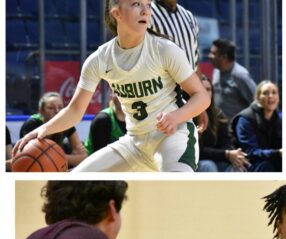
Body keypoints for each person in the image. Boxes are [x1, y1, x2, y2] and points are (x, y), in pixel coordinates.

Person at [15, 0, 210, 172]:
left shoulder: (164, 49)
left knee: (174, 189)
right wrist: (43, 130)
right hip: (135, 142)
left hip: (173, 136)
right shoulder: (100, 59)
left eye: (148, 5)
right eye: (136, 4)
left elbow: (201, 96)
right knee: (72, 184)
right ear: (116, 13)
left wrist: (175, 116)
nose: (145, 11)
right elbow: (75, 110)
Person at [150, 0, 208, 133]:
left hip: (189, 94)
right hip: (162, 95)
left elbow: (195, 62)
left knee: (190, 146)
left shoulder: (189, 17)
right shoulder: (147, 14)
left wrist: (200, 105)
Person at [196, 75, 250, 172]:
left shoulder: (218, 115)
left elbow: (226, 142)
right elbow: (200, 151)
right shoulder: (189, 114)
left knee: (238, 166)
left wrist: (234, 154)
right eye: (202, 89)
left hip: (217, 158)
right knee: (209, 166)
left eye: (208, 89)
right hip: (197, 161)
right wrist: (227, 154)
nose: (205, 93)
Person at [19, 92, 87, 168]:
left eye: (60, 107)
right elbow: (35, 158)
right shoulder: (31, 124)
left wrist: (54, 157)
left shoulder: (66, 123)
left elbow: (82, 158)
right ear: (41, 111)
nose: (57, 111)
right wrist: (65, 157)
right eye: (51, 108)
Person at [233, 80, 282, 172]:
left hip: (271, 160)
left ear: (278, 97)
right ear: (257, 97)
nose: (271, 96)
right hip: (248, 163)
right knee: (266, 166)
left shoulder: (279, 118)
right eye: (265, 93)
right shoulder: (245, 119)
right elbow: (250, 152)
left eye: (274, 92)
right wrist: (277, 153)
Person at [209, 38, 257, 119]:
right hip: (219, 127)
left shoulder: (241, 75)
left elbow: (257, 102)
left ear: (224, 57)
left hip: (236, 128)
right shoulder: (216, 71)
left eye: (213, 53)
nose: (210, 56)